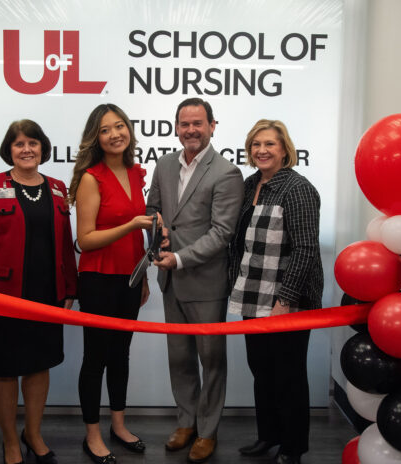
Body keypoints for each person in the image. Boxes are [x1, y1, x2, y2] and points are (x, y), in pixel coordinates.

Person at [0, 119, 77, 464]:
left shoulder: (58, 188)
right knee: (4, 370)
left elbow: (64, 245)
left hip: (46, 294)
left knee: (38, 366)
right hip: (2, 297)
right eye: (19, 144)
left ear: (43, 147)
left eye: (33, 142)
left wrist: (69, 288)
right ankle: (10, 441)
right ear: (9, 150)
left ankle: (33, 433)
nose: (26, 149)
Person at [146, 98, 244, 463]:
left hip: (205, 282)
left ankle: (207, 431)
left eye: (198, 124)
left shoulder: (226, 172)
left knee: (211, 360)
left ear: (212, 126)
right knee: (180, 359)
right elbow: (152, 210)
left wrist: (180, 257)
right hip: (170, 280)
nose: (191, 130)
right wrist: (158, 237)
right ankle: (185, 423)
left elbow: (222, 233)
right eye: (184, 124)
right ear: (175, 127)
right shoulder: (165, 164)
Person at [228, 120, 323, 464]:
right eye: (256, 144)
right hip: (254, 296)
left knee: (289, 375)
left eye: (270, 143)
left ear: (284, 149)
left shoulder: (297, 188)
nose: (262, 150)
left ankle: (292, 447)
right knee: (262, 370)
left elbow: (307, 248)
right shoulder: (250, 184)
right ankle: (268, 436)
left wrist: (286, 300)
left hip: (288, 301)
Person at [69, 103, 153, 464]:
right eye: (106, 129)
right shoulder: (92, 177)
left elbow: (140, 238)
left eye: (120, 126)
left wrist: (143, 275)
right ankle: (92, 435)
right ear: (96, 137)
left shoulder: (136, 172)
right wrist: (132, 224)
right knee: (95, 358)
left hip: (130, 279)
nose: (115, 134)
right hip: (98, 279)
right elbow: (84, 239)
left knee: (121, 355)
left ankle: (118, 425)